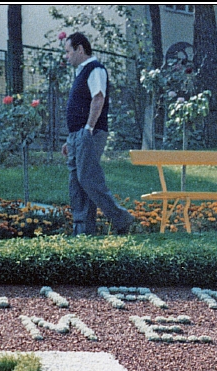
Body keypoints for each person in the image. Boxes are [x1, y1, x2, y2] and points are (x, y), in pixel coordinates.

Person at [61, 32, 134, 236]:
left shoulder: (96, 70)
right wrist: (72, 139)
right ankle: (82, 230)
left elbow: (98, 98)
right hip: (77, 135)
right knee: (76, 182)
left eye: (68, 52)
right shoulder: (82, 72)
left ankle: (122, 219)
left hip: (90, 133)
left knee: (88, 179)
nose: (66, 56)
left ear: (80, 49)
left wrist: (88, 130)